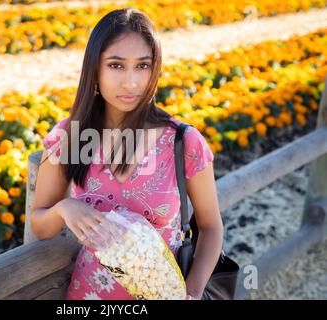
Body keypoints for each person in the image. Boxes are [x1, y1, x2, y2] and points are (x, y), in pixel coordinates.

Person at [30, 7, 223, 300]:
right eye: (117, 66)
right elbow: (40, 225)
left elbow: (210, 228)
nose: (131, 82)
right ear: (95, 68)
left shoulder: (183, 142)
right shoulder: (70, 137)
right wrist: (63, 208)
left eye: (142, 66)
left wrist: (192, 294)